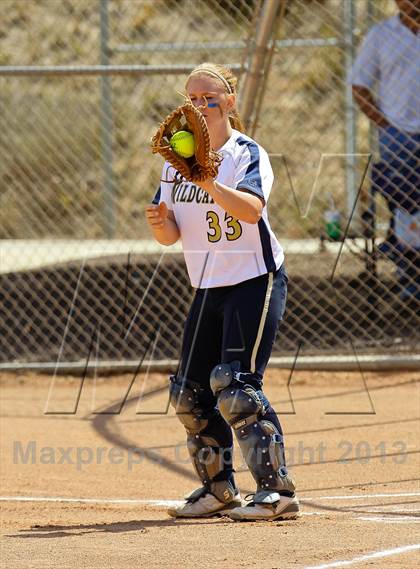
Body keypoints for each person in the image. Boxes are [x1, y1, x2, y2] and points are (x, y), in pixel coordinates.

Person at [145, 63, 299, 521]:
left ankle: (277, 493)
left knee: (235, 387)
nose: (199, 106)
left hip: (254, 279)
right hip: (208, 285)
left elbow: (251, 210)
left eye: (209, 97)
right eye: (192, 98)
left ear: (229, 101)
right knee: (190, 393)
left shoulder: (245, 152)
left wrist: (208, 181)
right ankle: (218, 490)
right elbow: (169, 234)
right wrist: (160, 223)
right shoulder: (176, 159)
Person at [351, 0, 420, 300]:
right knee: (404, 207)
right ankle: (410, 279)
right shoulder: (380, 35)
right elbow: (359, 85)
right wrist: (386, 125)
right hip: (397, 137)